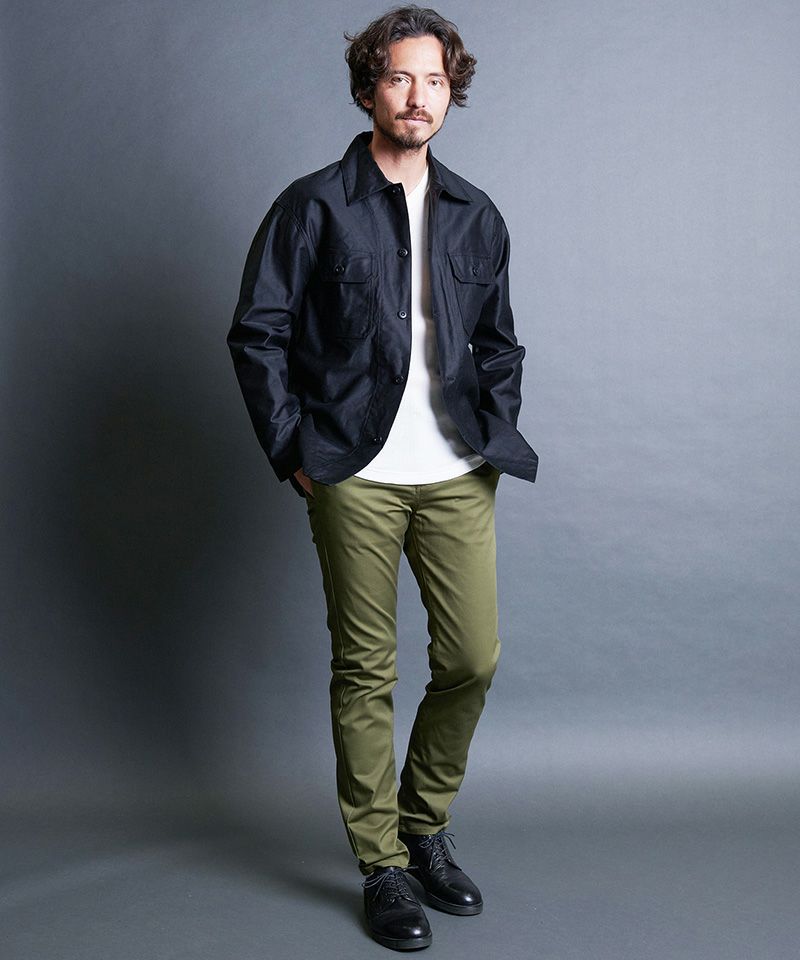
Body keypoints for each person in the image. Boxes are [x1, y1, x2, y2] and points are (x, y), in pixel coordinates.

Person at [227, 4, 538, 951]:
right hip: (351, 474)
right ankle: (383, 864)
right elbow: (259, 332)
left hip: (457, 470)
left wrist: (493, 430)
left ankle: (423, 823)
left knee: (473, 657)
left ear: (451, 92)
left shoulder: (477, 213)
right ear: (370, 87)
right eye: (401, 77)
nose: (419, 97)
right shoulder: (313, 205)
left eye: (435, 80)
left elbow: (499, 344)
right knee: (365, 670)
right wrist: (293, 451)